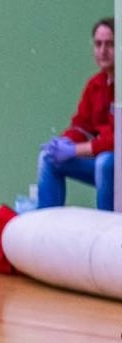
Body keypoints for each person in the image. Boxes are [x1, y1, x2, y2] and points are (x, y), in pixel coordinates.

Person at [36, 17, 114, 212]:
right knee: (48, 158)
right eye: (98, 44)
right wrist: (63, 143)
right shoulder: (95, 85)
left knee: (106, 162)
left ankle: (109, 233)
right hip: (100, 159)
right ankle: (46, 230)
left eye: (110, 44)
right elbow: (81, 125)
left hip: (113, 164)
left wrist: (74, 151)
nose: (102, 50)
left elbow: (116, 141)